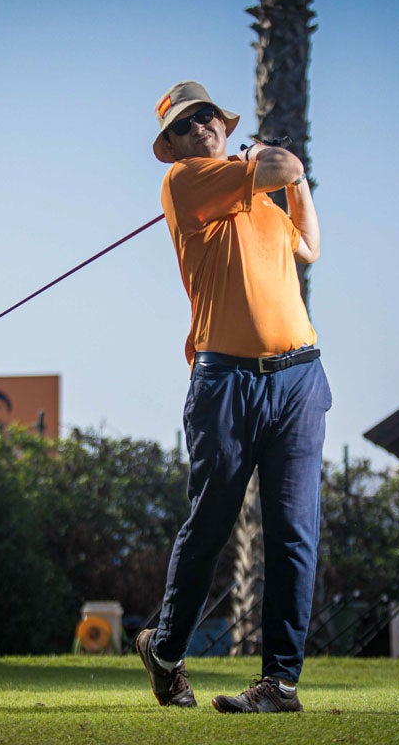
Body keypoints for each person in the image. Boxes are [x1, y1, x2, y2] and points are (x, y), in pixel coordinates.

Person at [133, 80, 332, 714]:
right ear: (176, 143)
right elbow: (282, 164)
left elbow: (310, 244)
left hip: (299, 378)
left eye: (207, 118)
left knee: (294, 531)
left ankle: (281, 683)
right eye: (187, 125)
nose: (201, 130)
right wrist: (274, 162)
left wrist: (291, 185)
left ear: (223, 122)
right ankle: (165, 651)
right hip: (225, 382)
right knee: (212, 522)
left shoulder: (259, 197)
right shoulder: (185, 183)